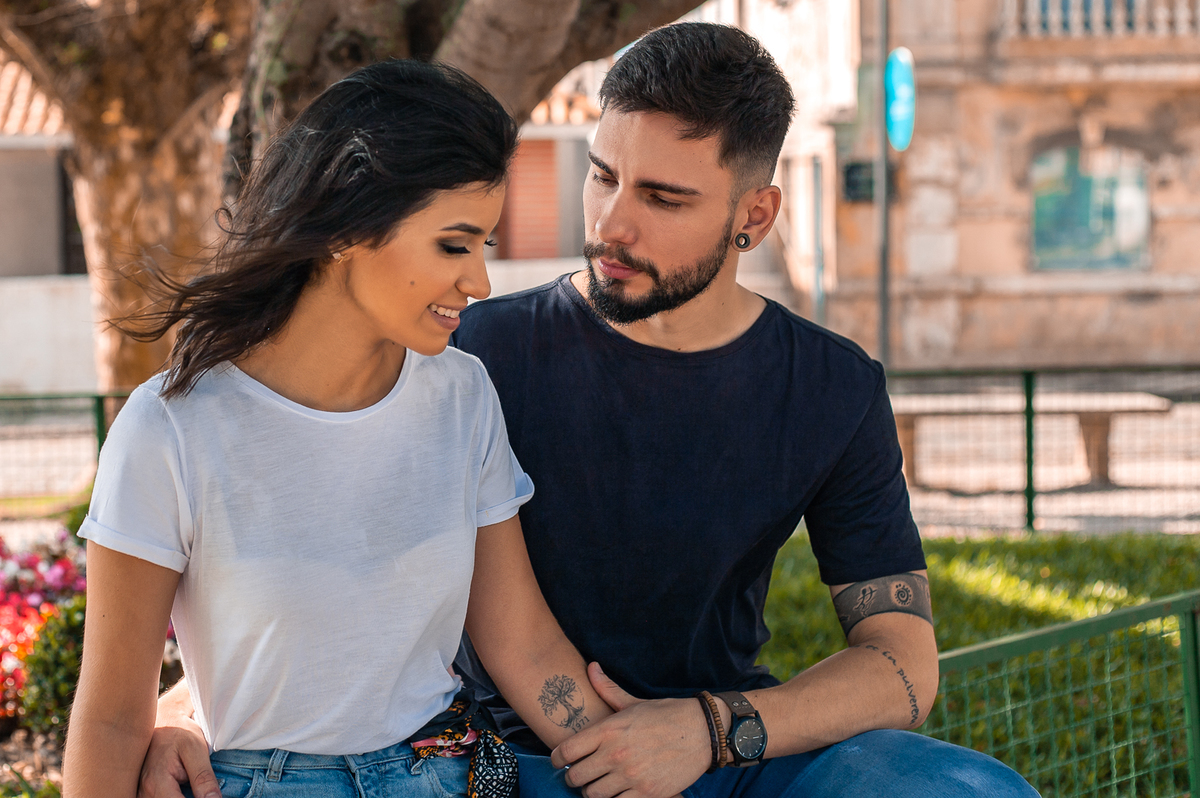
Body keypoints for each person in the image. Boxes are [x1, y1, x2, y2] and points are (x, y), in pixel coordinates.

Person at [141, 23, 1040, 798]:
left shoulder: (833, 388)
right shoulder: (466, 355)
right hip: (503, 761)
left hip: (727, 748)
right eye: (603, 175)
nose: (612, 223)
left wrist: (708, 731)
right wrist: (192, 708)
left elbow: (901, 663)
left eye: (663, 198)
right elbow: (303, 565)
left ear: (756, 216)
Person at [63, 59, 616, 798]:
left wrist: (633, 770)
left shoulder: (463, 395)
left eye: (484, 246)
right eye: (454, 245)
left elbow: (524, 645)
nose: (479, 283)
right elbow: (110, 720)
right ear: (348, 230)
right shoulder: (170, 429)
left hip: (445, 774)